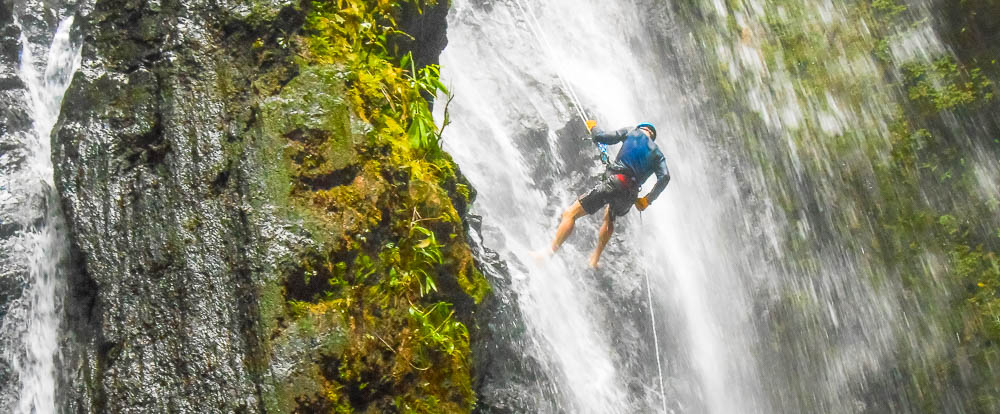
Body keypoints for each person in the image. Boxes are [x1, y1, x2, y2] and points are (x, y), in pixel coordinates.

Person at [541, 121, 671, 268]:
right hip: (630, 196)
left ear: (641, 128)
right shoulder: (658, 155)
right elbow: (665, 177)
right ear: (652, 136)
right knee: (610, 217)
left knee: (570, 214)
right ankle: (595, 258)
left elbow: (602, 137)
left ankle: (549, 252)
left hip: (616, 182)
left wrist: (593, 127)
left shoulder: (632, 132)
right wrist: (647, 200)